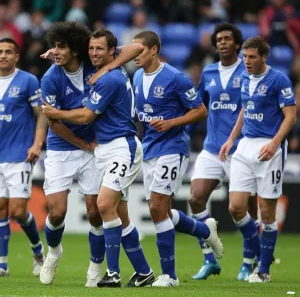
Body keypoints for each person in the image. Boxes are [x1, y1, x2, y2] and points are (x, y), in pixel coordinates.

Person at [42, 28, 154, 288]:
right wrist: (84, 143)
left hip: (110, 146)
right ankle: (55, 253)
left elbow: (136, 48)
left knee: (99, 209)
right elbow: (55, 125)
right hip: (75, 146)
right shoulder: (51, 78)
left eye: (61, 46)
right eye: (54, 46)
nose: (56, 51)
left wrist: (107, 67)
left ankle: (102, 269)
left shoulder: (101, 72)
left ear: (74, 49)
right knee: (60, 212)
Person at [131, 30, 223, 287]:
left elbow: (200, 111)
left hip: (173, 148)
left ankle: (169, 276)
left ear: (153, 50)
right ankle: (206, 230)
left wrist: (172, 122)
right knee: (158, 210)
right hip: (150, 148)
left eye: (139, 50)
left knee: (158, 207)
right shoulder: (137, 76)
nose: (134, 55)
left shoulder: (175, 78)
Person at [219, 36, 296, 283]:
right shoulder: (244, 78)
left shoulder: (279, 79)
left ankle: (263, 271)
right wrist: (231, 139)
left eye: (252, 57)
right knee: (236, 207)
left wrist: (275, 143)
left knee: (266, 211)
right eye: (245, 57)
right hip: (245, 146)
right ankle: (262, 254)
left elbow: (291, 116)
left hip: (269, 147)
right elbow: (245, 109)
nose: (247, 61)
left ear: (264, 57)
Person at [189, 23, 259, 281]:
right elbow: (200, 106)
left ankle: (249, 262)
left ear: (238, 44)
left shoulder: (249, 70)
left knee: (246, 209)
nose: (222, 43)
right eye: (218, 39)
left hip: (242, 148)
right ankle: (210, 260)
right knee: (196, 198)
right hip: (211, 147)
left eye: (228, 39)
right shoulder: (208, 72)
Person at [0, 38, 47, 277]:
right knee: (0, 208)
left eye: (8, 52)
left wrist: (37, 144)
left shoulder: (28, 80)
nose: (3, 55)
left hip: (19, 154)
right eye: (0, 52)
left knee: (18, 211)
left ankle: (37, 250)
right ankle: (2, 263)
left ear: (16, 56)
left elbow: (41, 116)